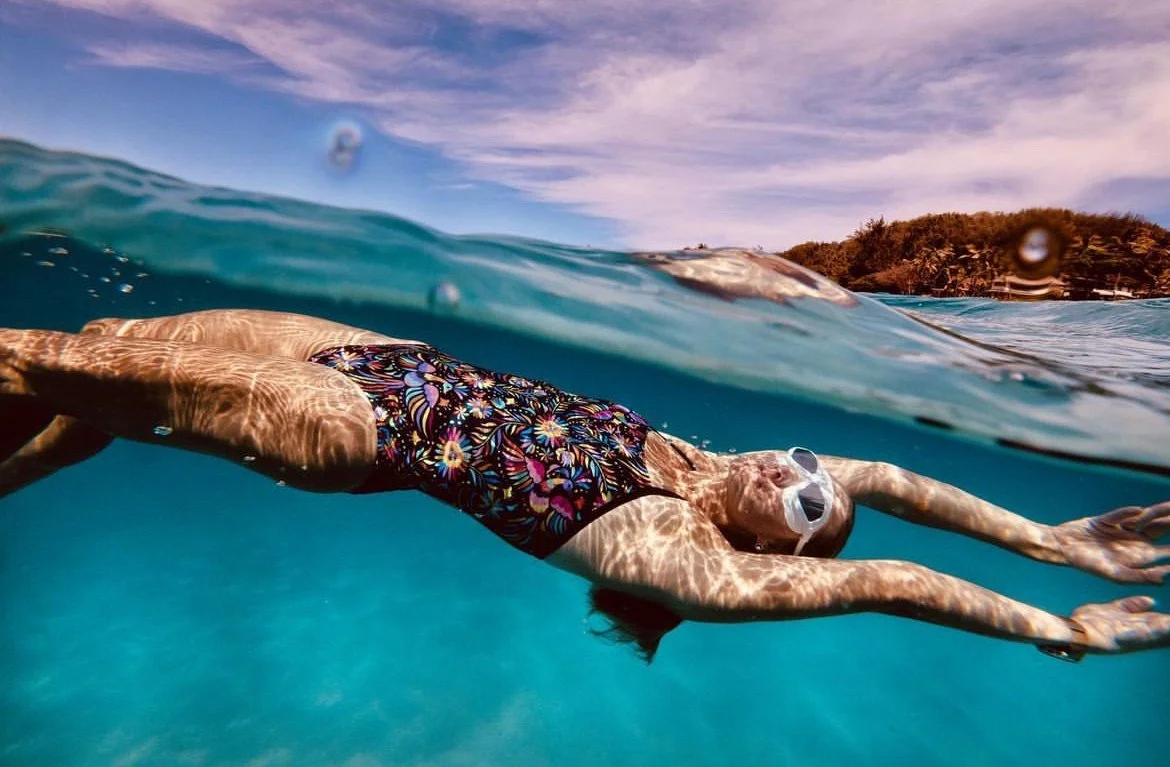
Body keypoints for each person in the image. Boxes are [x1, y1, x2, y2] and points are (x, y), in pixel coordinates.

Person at [2, 309, 1168, 663]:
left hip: (348, 427)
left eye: (808, 498)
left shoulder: (685, 555)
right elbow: (897, 482)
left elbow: (900, 572)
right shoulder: (719, 466)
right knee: (102, 345)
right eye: (813, 465)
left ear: (780, 554)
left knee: (35, 356)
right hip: (380, 357)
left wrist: (1058, 626)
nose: (801, 468)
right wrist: (1053, 540)